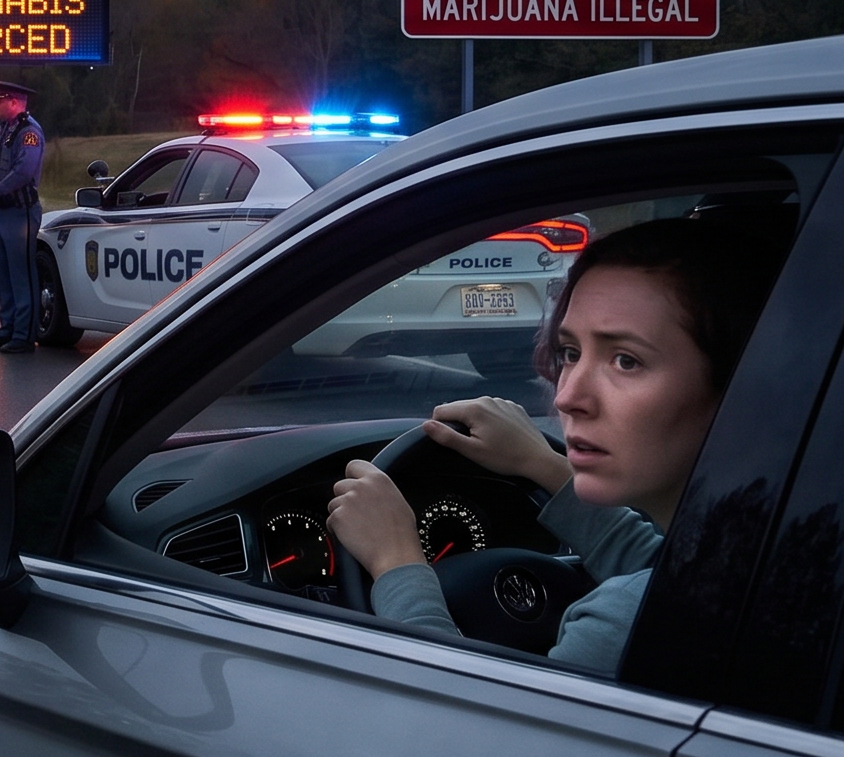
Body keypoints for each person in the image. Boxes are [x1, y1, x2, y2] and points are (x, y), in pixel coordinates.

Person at [324, 215, 787, 675]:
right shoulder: (774, 558)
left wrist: (396, 563)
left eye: (626, 361)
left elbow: (477, 736)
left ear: (742, 384)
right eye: (570, 352)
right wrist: (543, 464)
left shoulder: (626, 623)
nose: (567, 397)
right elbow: (674, 565)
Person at [0, 81, 44, 350]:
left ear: (14, 102)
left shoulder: (29, 133)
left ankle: (24, 335)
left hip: (19, 211)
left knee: (21, 273)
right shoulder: (5, 129)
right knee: (4, 272)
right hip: (2, 212)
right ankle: (8, 328)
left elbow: (23, 172)